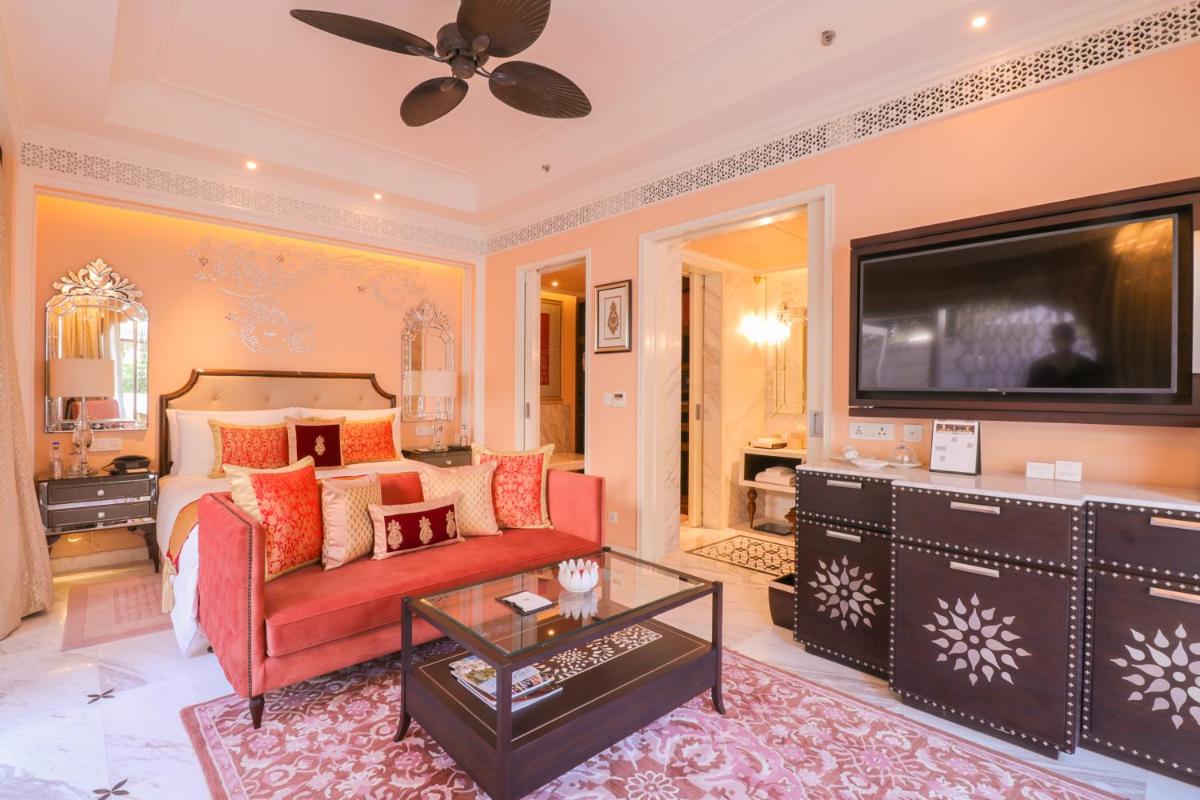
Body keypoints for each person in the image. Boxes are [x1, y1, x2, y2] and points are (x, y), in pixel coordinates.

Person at [1026, 322, 1104, 388]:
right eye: (1058, 339)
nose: (1062, 343)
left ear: (1073, 340)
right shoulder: (1038, 367)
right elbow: (1031, 395)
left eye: (1066, 338)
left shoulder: (1089, 367)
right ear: (1052, 341)